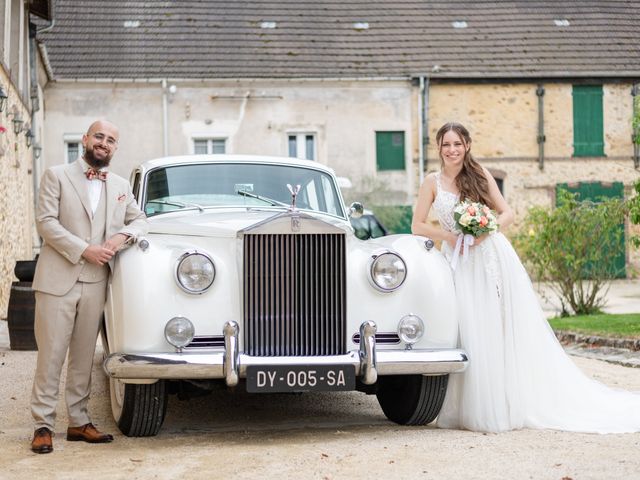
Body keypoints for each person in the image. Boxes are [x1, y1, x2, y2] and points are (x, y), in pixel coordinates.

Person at [412, 121, 640, 433]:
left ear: (467, 145)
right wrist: (450, 237)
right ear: (438, 147)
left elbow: (507, 213)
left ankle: (501, 404)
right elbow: (417, 226)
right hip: (457, 259)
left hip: (490, 256)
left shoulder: (479, 175)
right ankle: (468, 405)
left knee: (495, 326)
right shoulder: (432, 182)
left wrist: (484, 227)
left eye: (457, 144)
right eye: (446, 144)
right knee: (466, 326)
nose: (452, 150)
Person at [30, 120, 148, 453]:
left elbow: (140, 220)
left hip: (97, 283)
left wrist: (122, 236)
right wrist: (85, 249)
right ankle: (42, 424)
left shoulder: (122, 185)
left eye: (111, 139)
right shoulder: (56, 175)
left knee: (84, 356)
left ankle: (79, 422)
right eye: (99, 136)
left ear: (115, 148)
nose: (104, 143)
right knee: (51, 356)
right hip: (57, 282)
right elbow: (46, 223)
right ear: (85, 139)